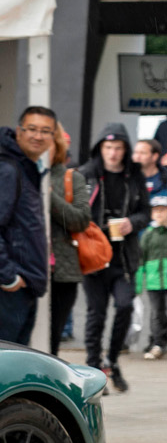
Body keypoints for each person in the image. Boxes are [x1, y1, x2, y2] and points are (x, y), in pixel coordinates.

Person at [0, 108, 55, 346]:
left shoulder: (26, 170)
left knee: (12, 366)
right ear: (18, 132)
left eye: (45, 131)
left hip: (22, 285)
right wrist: (8, 277)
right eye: (32, 129)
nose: (38, 136)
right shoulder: (7, 171)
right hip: (7, 288)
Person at [80, 124, 149, 391]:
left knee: (125, 306)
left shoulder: (134, 176)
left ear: (125, 150)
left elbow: (145, 210)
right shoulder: (87, 174)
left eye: (118, 147)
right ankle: (92, 366)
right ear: (100, 148)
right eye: (108, 147)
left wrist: (133, 222)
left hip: (122, 257)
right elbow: (73, 210)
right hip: (93, 257)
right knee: (95, 313)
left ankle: (112, 359)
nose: (112, 153)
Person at [48, 130, 92, 357]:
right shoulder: (20, 175)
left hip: (62, 271)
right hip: (27, 269)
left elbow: (81, 220)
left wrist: (50, 196)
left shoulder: (72, 178)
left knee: (52, 335)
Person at [139, 196, 167, 360]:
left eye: (162, 210)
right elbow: (141, 257)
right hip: (153, 280)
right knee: (157, 313)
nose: (159, 213)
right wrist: (138, 282)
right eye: (156, 210)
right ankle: (158, 343)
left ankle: (160, 340)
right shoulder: (148, 234)